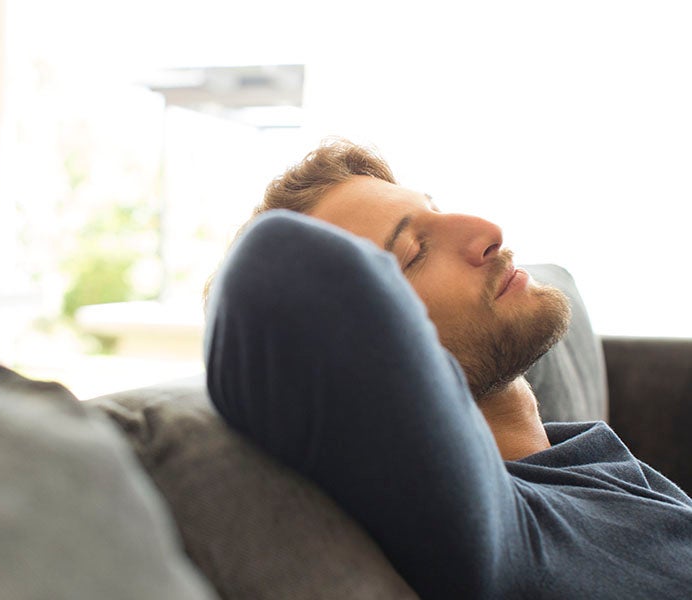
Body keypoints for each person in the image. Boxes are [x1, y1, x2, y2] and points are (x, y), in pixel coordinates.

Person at [203, 138, 692, 599]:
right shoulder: (503, 536)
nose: (488, 232)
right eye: (414, 253)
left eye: (434, 209)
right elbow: (272, 263)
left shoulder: (580, 457)